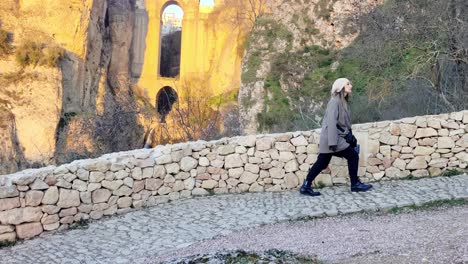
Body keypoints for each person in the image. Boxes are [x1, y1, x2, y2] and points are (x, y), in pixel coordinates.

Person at [300, 78, 372, 196]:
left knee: (322, 162)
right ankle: (355, 184)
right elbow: (331, 122)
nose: (351, 85)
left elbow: (343, 124)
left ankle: (306, 186)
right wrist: (333, 142)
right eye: (348, 84)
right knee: (353, 155)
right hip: (331, 138)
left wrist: (350, 137)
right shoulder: (335, 102)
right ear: (341, 87)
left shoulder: (343, 101)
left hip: (336, 138)